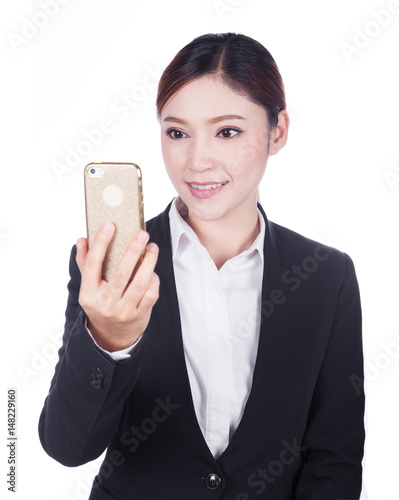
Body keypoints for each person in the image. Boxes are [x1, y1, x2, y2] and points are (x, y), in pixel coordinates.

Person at [39, 32, 365, 499]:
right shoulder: (111, 266)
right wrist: (108, 340)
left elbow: (334, 457)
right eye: (177, 133)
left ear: (278, 131)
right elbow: (67, 446)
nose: (197, 161)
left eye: (227, 131)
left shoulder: (326, 276)